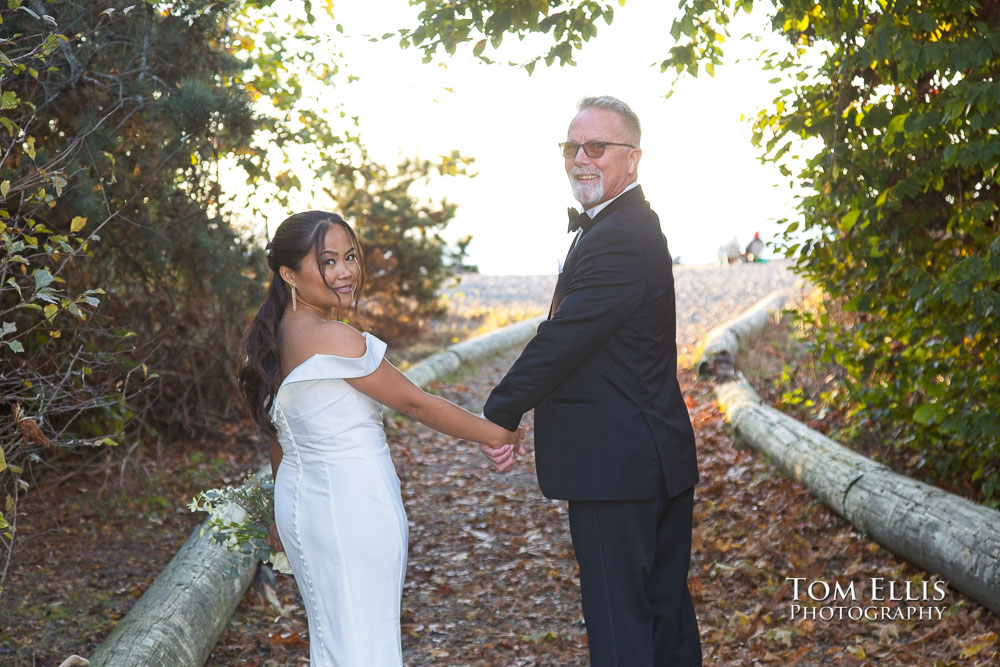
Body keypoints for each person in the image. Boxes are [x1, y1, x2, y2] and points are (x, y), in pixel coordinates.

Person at [237, 211, 523, 667]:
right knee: (365, 645)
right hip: (354, 508)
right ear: (289, 273)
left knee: (336, 641)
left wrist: (277, 512)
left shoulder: (272, 337)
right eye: (327, 262)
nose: (346, 271)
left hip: (304, 508)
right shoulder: (334, 338)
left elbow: (279, 432)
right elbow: (415, 403)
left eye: (350, 256)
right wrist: (498, 432)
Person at [481, 97, 702, 665]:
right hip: (643, 455)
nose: (581, 158)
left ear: (634, 158)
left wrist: (501, 411)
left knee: (620, 624)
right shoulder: (620, 224)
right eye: (571, 147)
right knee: (660, 616)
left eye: (597, 147)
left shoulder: (621, 233)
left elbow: (566, 336)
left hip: (618, 465)